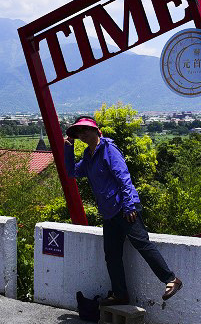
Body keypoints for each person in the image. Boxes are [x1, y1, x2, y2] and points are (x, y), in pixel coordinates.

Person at [64, 116, 183, 305]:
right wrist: (68, 148)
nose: (82, 134)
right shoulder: (88, 156)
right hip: (109, 211)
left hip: (125, 207)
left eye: (85, 129)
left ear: (96, 130)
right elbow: (72, 172)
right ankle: (120, 294)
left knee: (142, 243)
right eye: (78, 132)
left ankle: (171, 279)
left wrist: (129, 205)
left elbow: (124, 178)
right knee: (111, 254)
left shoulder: (108, 149)